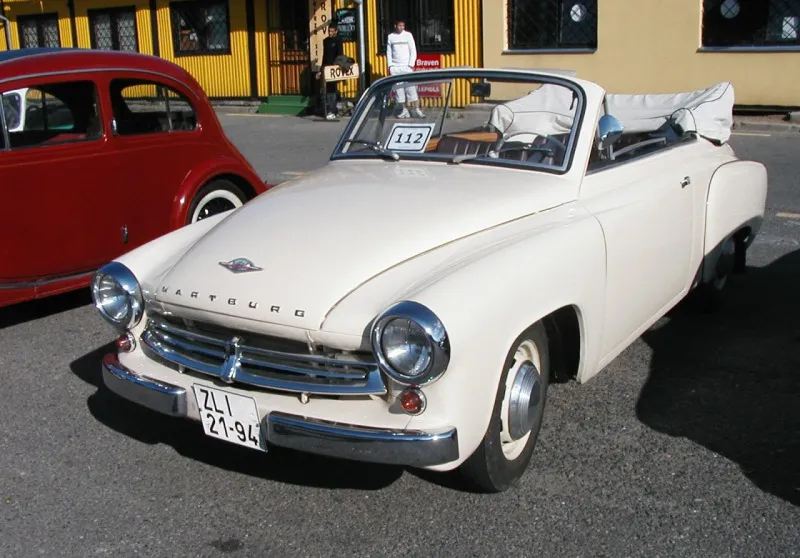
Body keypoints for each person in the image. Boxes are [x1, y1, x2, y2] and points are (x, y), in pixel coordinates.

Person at [386, 19, 425, 119]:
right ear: (395, 26)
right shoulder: (391, 37)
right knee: (399, 91)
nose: (401, 27)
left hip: (407, 66)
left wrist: (411, 64)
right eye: (399, 25)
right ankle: (404, 110)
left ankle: (416, 109)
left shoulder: (408, 35)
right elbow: (389, 52)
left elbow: (413, 50)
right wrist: (390, 66)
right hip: (395, 67)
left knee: (411, 89)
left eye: (403, 26)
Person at [316, 21, 343, 120]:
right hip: (326, 67)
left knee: (332, 89)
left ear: (336, 31)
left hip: (334, 67)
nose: (330, 33)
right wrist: (321, 69)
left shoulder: (338, 40)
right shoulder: (326, 41)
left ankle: (333, 110)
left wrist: (337, 66)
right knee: (326, 90)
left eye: (332, 31)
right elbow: (324, 55)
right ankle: (328, 109)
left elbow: (340, 54)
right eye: (329, 31)